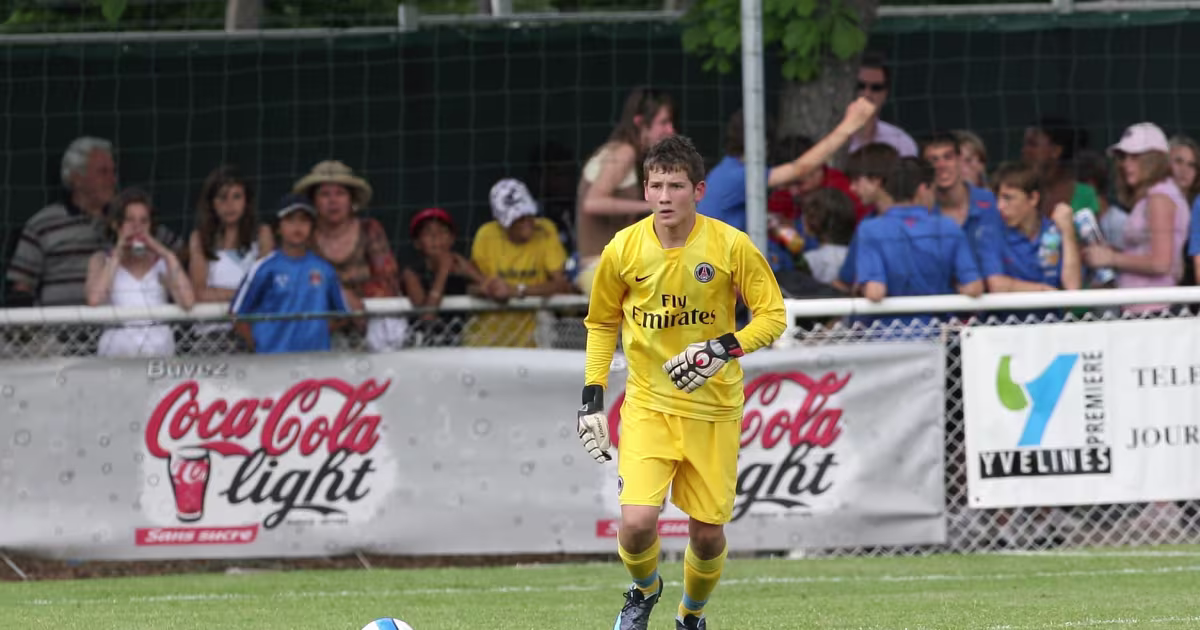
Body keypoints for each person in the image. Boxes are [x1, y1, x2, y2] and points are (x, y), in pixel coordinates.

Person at [575, 135, 786, 630]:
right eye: (655, 185)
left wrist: (721, 348)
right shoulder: (623, 248)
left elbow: (772, 317)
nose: (665, 196)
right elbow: (602, 323)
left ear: (699, 190)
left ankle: (690, 615)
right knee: (636, 523)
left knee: (708, 535)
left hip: (713, 410)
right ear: (645, 192)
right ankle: (645, 591)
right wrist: (591, 398)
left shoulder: (731, 245)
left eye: (675, 185)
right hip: (647, 405)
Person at [697, 98, 876, 271]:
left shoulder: (727, 172)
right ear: (765, 143)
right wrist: (850, 125)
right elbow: (800, 169)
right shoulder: (739, 175)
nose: (793, 191)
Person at [850, 157, 983, 331]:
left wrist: (860, 287)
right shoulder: (949, 227)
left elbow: (875, 292)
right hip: (938, 336)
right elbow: (974, 287)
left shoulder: (870, 229)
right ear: (923, 189)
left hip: (886, 337)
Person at [575, 87, 677, 296]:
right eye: (663, 122)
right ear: (640, 123)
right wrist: (651, 206)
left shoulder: (627, 153)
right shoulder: (624, 152)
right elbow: (592, 203)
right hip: (599, 267)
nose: (671, 130)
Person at [1084, 123, 1191, 315]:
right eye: (1123, 157)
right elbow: (1151, 252)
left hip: (1155, 309)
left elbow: (1161, 263)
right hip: (1145, 308)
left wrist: (1111, 258)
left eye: (1135, 157)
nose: (1125, 164)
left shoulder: (1160, 197)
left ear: (1153, 159)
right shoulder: (1157, 195)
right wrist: (1110, 252)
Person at [231, 194, 349, 354]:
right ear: (278, 227)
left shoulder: (325, 269)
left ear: (312, 227)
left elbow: (341, 315)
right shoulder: (264, 268)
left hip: (314, 363)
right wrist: (260, 345)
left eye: (304, 220)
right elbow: (237, 315)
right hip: (272, 363)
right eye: (290, 220)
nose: (297, 226)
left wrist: (316, 333)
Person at [85, 188, 195, 357]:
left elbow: (187, 301)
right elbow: (94, 299)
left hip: (159, 353)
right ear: (116, 224)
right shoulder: (101, 260)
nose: (137, 227)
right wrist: (118, 253)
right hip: (117, 356)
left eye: (144, 221)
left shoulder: (161, 264)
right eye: (130, 220)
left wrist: (166, 254)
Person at [187, 165, 274, 349]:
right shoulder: (199, 238)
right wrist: (245, 294)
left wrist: (220, 293)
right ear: (212, 202)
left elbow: (266, 289)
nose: (230, 205)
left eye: (236, 196)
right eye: (222, 197)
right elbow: (199, 293)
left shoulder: (262, 234)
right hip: (211, 334)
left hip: (252, 333)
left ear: (246, 200)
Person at [982, 162, 1082, 294]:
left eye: (1008, 198)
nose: (1000, 206)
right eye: (998, 198)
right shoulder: (991, 233)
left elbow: (1072, 286)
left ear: (1033, 198)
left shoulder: (1054, 231)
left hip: (1049, 315)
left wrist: (1068, 232)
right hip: (1006, 315)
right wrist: (1042, 290)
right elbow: (997, 285)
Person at [401, 207, 487, 346]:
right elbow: (427, 317)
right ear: (417, 243)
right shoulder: (412, 273)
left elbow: (490, 288)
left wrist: (469, 272)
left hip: (459, 347)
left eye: (442, 231)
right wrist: (443, 271)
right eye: (428, 233)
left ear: (452, 239)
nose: (436, 237)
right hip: (422, 348)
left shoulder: (460, 266)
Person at [848, 52, 918, 157]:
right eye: (860, 86)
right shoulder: (827, 138)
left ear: (886, 93)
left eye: (876, 87)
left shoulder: (901, 142)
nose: (867, 94)